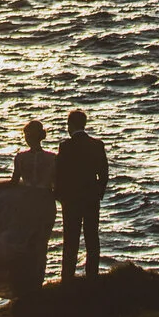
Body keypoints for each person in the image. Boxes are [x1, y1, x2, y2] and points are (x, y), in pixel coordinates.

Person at [54, 108, 109, 281]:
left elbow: (59, 173)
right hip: (91, 196)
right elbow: (104, 173)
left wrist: (59, 194)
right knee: (92, 238)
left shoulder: (65, 146)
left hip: (71, 199)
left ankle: (67, 278)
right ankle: (92, 276)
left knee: (71, 240)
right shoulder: (97, 144)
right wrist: (99, 192)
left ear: (69, 125)